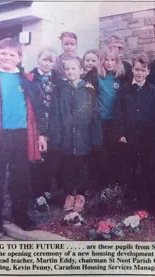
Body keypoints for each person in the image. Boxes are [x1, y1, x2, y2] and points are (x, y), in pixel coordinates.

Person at [0, 38, 46, 239]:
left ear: (20, 58)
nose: (7, 57)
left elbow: (39, 109)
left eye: (12, 54)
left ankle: (21, 215)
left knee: (21, 177)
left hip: (22, 135)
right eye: (3, 53)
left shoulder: (27, 79)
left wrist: (42, 134)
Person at [49, 58, 102, 213]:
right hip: (66, 137)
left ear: (81, 70)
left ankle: (80, 194)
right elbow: (55, 114)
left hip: (82, 136)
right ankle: (69, 195)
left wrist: (95, 138)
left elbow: (95, 114)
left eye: (74, 69)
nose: (71, 72)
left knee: (82, 167)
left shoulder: (88, 90)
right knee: (67, 167)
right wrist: (56, 137)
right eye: (67, 69)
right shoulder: (60, 89)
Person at [113, 53, 155, 205]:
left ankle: (145, 198)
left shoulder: (153, 91)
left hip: (147, 136)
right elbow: (118, 112)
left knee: (146, 166)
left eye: (143, 70)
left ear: (148, 71)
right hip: (129, 135)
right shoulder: (124, 90)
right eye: (137, 69)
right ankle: (129, 197)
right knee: (129, 165)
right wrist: (120, 132)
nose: (140, 73)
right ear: (132, 70)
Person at [85, 46, 125, 189]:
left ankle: (113, 186)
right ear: (101, 61)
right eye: (106, 60)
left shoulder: (120, 77)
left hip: (114, 122)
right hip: (99, 121)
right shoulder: (96, 76)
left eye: (112, 60)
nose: (109, 63)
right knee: (100, 154)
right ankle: (99, 186)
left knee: (114, 154)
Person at [29, 47, 62, 212]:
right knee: (37, 159)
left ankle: (46, 189)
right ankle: (37, 194)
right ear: (38, 59)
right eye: (44, 60)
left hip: (53, 124)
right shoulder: (30, 77)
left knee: (50, 159)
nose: (47, 64)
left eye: (51, 61)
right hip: (35, 123)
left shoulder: (58, 79)